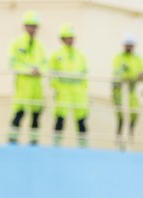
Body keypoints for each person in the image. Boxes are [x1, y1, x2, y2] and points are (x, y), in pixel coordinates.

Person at [9, 12, 47, 145]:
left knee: (36, 114)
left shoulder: (39, 46)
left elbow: (45, 64)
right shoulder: (16, 43)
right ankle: (12, 140)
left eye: (34, 26)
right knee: (19, 112)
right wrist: (29, 70)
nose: (32, 29)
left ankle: (34, 141)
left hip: (36, 87)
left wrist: (39, 70)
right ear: (24, 26)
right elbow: (12, 63)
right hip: (23, 86)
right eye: (30, 26)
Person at [49, 24, 89, 147]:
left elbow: (85, 73)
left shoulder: (80, 55)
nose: (70, 40)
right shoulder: (56, 55)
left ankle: (83, 145)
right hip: (63, 90)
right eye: (67, 37)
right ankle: (56, 144)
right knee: (60, 117)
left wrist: (83, 90)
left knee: (81, 118)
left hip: (78, 91)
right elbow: (52, 73)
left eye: (72, 37)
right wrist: (57, 88)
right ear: (62, 39)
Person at [112, 35, 143, 148]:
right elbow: (118, 73)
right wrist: (132, 76)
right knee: (121, 116)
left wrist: (136, 76)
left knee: (134, 113)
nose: (129, 47)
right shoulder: (118, 58)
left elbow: (142, 74)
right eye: (127, 45)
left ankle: (129, 136)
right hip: (119, 92)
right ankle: (119, 141)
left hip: (131, 92)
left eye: (131, 45)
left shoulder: (137, 59)